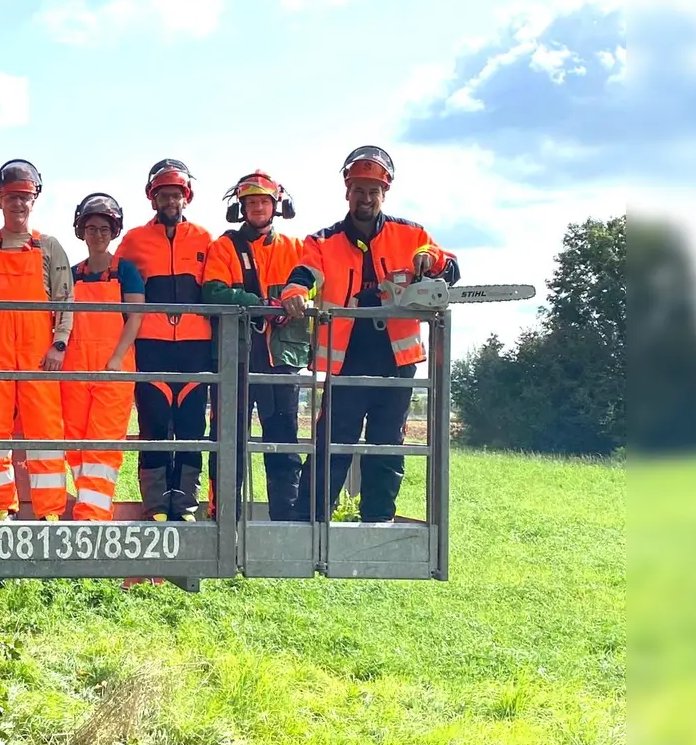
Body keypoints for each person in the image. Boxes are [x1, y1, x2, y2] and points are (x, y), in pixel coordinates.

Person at [280, 145, 459, 522]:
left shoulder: (411, 235)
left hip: (396, 358)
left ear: (384, 193)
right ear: (347, 192)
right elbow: (305, 273)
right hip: (348, 356)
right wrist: (295, 292)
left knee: (387, 443)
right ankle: (311, 519)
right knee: (334, 440)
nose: (365, 198)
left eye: (373, 191)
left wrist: (433, 261)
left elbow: (451, 266)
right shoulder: (323, 241)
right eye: (359, 190)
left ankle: (379, 518)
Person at [201, 170, 309, 520]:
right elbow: (212, 291)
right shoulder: (223, 246)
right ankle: (224, 518)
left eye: (263, 201)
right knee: (227, 438)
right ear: (241, 207)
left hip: (282, 357)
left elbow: (314, 288)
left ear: (276, 205)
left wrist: (293, 302)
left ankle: (286, 518)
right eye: (251, 202)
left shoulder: (297, 249)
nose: (257, 208)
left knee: (283, 440)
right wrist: (260, 303)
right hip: (237, 355)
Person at [0, 159, 73, 521]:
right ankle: (1, 505)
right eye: (11, 196)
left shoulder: (49, 246)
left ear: (35, 199)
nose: (18, 203)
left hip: (38, 354)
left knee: (45, 429)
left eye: (25, 197)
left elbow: (65, 299)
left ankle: (50, 511)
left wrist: (59, 343)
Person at [113, 159, 214, 522]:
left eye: (176, 195)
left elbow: (215, 289)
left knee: (190, 426)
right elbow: (113, 282)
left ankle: (185, 503)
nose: (170, 202)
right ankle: (155, 503)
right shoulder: (135, 240)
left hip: (195, 346)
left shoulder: (205, 238)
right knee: (154, 425)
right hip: (151, 344)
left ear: (186, 197)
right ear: (152, 198)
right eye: (164, 195)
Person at [61, 193, 143, 521]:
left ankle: (92, 517)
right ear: (81, 231)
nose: (98, 235)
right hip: (75, 367)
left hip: (114, 366)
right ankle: (91, 505)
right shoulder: (71, 273)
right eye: (91, 228)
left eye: (105, 229)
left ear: (114, 232)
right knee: (75, 442)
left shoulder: (125, 271)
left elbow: (135, 316)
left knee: (103, 443)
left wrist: (117, 358)